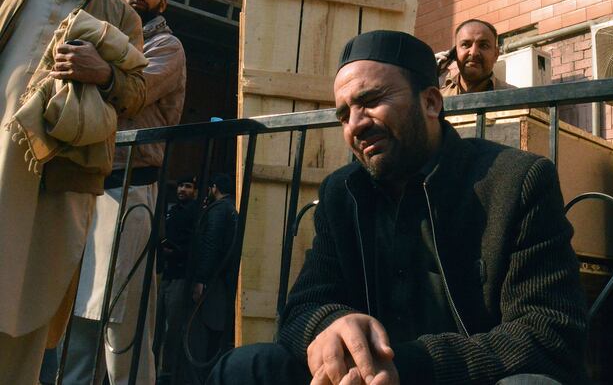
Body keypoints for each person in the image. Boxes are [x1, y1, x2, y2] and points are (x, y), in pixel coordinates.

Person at [208, 30, 588, 385]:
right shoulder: (342, 194)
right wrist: (333, 326)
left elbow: (547, 333)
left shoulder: (516, 180)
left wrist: (406, 364)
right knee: (247, 366)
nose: (355, 125)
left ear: (431, 102)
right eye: (343, 115)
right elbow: (302, 309)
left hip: (454, 379)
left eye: (371, 101)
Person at [0, 0, 146, 383]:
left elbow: (135, 93)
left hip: (55, 175)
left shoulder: (120, 17)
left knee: (28, 289)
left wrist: (104, 73)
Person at [62, 0, 186, 384]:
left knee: (121, 310)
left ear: (162, 2)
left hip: (130, 185)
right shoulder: (105, 33)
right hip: (84, 181)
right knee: (78, 307)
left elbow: (135, 94)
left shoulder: (166, 45)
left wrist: (96, 72)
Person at [188, 173, 238, 380]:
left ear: (214, 188)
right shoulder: (231, 208)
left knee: (206, 335)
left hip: (215, 280)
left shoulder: (219, 210)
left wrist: (201, 279)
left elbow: (211, 245)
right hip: (222, 278)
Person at [155, 175, 199, 382]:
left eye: (188, 186)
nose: (182, 189)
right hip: (167, 273)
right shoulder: (172, 211)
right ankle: (154, 366)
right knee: (156, 324)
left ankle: (167, 371)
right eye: (181, 185)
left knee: (172, 327)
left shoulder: (195, 212)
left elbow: (196, 245)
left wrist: (177, 253)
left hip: (181, 274)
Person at [440, 19, 515, 95]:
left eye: (483, 45)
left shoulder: (516, 98)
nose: (473, 53)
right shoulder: (437, 99)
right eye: (465, 45)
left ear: (496, 55)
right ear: (455, 53)